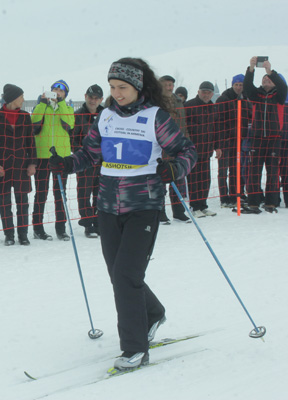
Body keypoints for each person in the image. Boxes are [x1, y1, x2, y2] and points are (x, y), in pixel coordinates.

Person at [48, 57, 196, 371]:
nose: (117, 93)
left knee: (126, 276)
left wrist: (174, 168)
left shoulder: (155, 117)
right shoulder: (104, 117)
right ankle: (153, 313)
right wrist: (66, 163)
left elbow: (186, 151)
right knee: (120, 275)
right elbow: (89, 153)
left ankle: (134, 348)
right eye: (113, 87)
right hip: (106, 207)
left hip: (144, 206)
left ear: (138, 86)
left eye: (123, 87)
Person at [0, 84, 37, 246]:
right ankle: (9, 234)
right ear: (13, 99)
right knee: (4, 202)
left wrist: (32, 163)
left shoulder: (25, 117)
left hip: (22, 166)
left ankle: (23, 234)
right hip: (3, 167)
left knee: (23, 202)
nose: (23, 99)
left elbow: (31, 143)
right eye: (21, 96)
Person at [31, 79, 75, 241]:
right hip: (42, 156)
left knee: (60, 194)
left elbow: (69, 124)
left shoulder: (68, 108)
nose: (57, 91)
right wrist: (43, 103)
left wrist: (61, 103)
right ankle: (38, 227)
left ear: (65, 94)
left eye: (61, 90)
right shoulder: (41, 107)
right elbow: (34, 121)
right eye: (54, 89)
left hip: (61, 157)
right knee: (41, 193)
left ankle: (61, 228)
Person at [243, 56, 288, 213]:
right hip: (257, 138)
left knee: (273, 171)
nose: (266, 81)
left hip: (274, 138)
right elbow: (247, 86)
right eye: (264, 79)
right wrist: (251, 69)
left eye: (269, 79)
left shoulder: (279, 96)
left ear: (274, 82)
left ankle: (271, 202)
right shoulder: (256, 95)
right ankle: (253, 202)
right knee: (254, 170)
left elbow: (283, 86)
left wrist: (270, 71)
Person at [184, 81, 222, 217]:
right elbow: (183, 127)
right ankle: (195, 207)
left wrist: (217, 147)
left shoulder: (213, 107)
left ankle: (203, 205)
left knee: (205, 178)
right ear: (199, 92)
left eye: (209, 92)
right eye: (204, 92)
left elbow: (216, 129)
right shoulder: (188, 105)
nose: (206, 95)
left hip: (207, 149)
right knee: (194, 179)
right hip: (192, 150)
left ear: (212, 94)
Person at [72, 84, 104, 237]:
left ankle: (98, 222)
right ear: (85, 96)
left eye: (97, 98)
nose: (93, 101)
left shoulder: (106, 114)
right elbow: (73, 140)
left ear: (101, 99)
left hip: (103, 162)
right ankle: (87, 223)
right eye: (91, 97)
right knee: (84, 192)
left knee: (100, 193)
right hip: (85, 161)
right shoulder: (78, 115)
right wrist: (83, 155)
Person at [215, 74, 251, 208]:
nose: (238, 87)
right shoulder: (223, 99)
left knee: (236, 169)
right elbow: (218, 120)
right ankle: (224, 197)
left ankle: (235, 194)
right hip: (225, 140)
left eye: (241, 85)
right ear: (232, 85)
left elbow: (249, 116)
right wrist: (220, 139)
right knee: (223, 170)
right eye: (236, 85)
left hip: (239, 140)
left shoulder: (246, 99)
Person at [158, 75, 190, 223]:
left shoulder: (178, 102)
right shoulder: (155, 102)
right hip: (161, 148)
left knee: (179, 181)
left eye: (171, 85)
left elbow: (183, 124)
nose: (169, 88)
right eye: (166, 85)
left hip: (177, 148)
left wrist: (186, 142)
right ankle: (160, 212)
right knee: (160, 183)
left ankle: (178, 211)